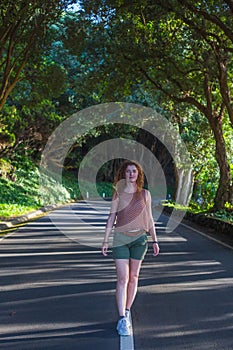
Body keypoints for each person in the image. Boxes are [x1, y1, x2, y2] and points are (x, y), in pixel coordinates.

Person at [101, 160, 159, 336]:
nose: (131, 174)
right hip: (120, 239)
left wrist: (155, 240)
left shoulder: (145, 195)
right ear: (123, 174)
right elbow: (111, 218)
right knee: (122, 278)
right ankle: (121, 319)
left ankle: (126, 311)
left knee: (133, 277)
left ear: (138, 174)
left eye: (134, 171)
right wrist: (105, 240)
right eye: (128, 171)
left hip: (140, 240)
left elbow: (149, 219)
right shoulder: (118, 194)